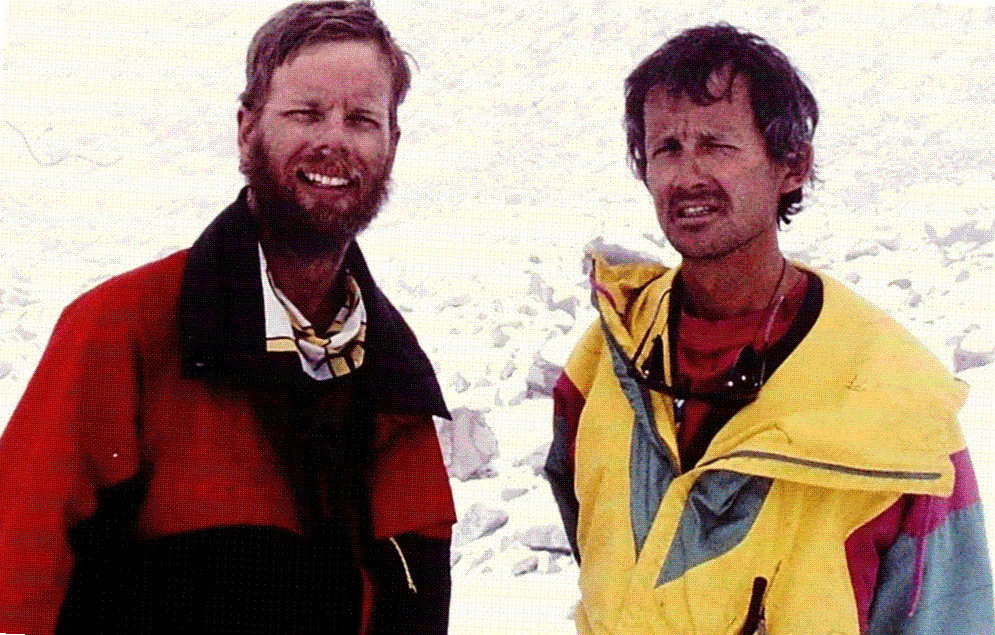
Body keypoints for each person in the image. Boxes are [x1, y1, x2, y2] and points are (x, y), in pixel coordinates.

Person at [0, 2, 456, 633]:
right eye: (305, 112)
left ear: (391, 144)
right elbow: (14, 577)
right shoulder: (124, 332)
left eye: (361, 119)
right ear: (247, 129)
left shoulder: (394, 383)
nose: (335, 139)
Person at [544, 23, 994, 634]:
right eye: (667, 148)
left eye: (717, 144)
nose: (688, 174)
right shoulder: (604, 361)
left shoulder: (896, 401)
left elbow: (952, 616)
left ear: (791, 166)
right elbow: (596, 552)